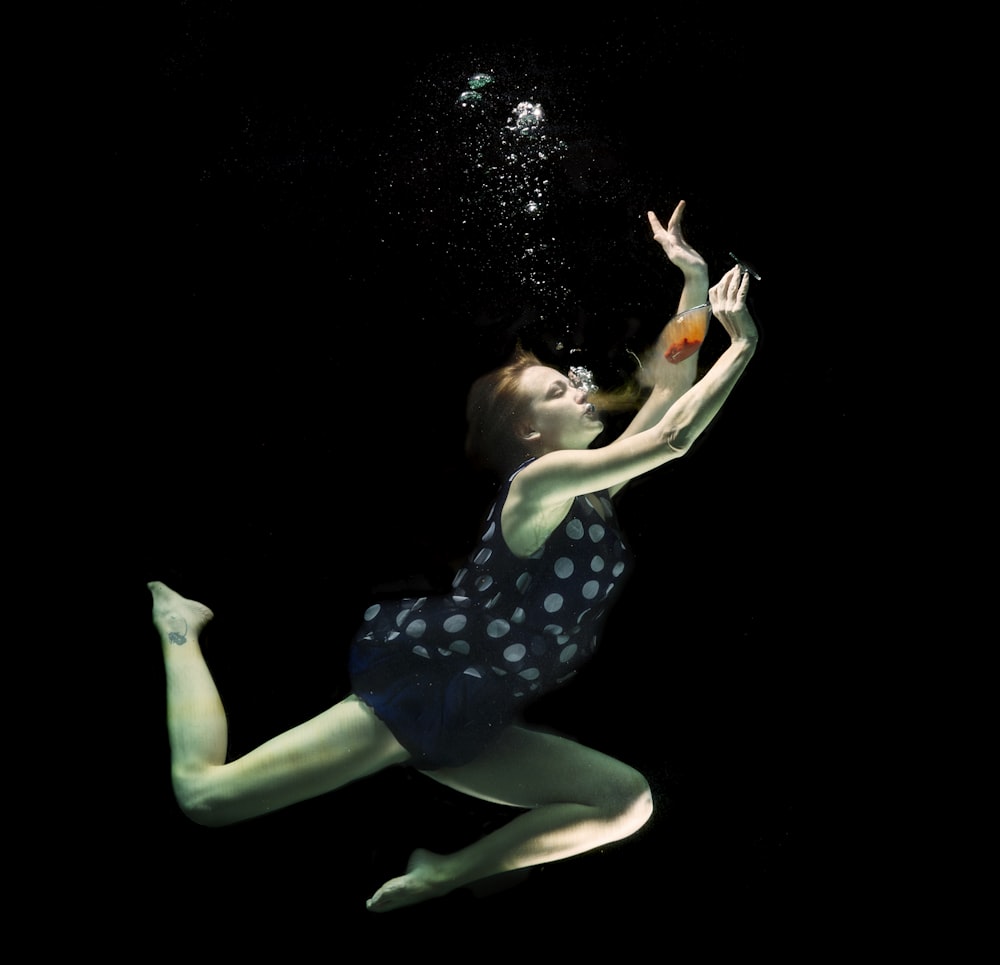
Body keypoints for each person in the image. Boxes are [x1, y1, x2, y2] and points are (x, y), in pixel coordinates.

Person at [149, 200, 758, 912]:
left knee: (625, 801)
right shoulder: (537, 485)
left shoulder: (598, 490)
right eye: (559, 388)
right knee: (206, 796)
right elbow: (673, 436)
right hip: (416, 696)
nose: (582, 386)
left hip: (483, 712)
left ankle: (444, 871)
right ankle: (180, 627)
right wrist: (740, 345)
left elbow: (670, 387)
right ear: (530, 430)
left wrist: (692, 277)